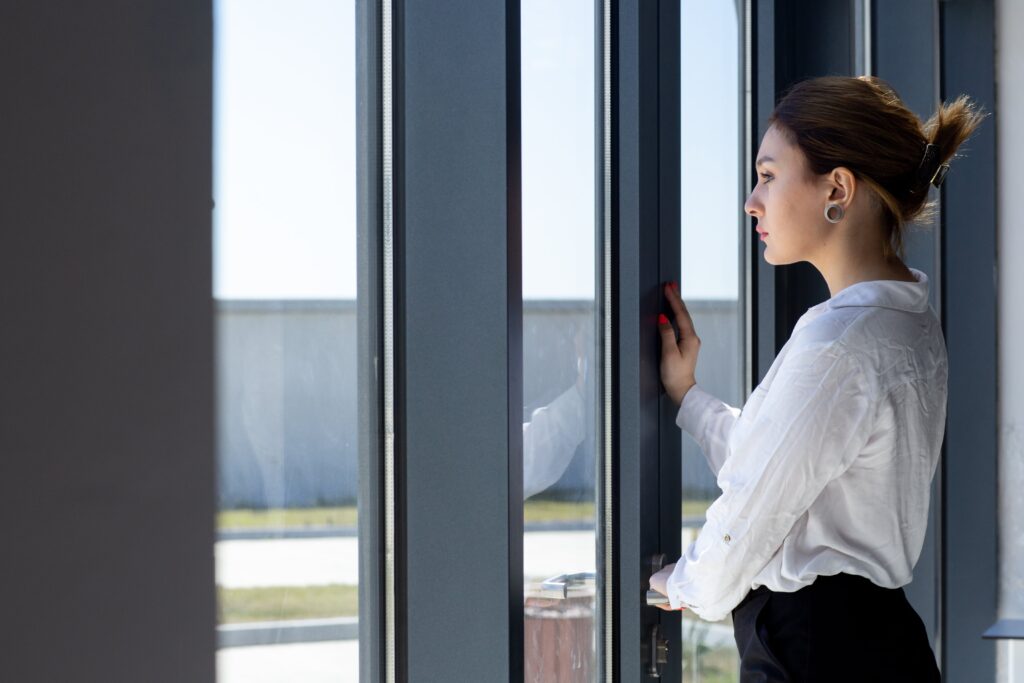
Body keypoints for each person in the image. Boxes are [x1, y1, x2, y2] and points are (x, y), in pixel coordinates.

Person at [647, 75, 986, 682]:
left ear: (837, 188)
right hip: (878, 642)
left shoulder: (841, 342)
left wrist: (686, 581)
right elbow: (785, 461)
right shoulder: (906, 321)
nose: (752, 200)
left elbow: (755, 510)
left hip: (813, 652)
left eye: (769, 175)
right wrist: (689, 397)